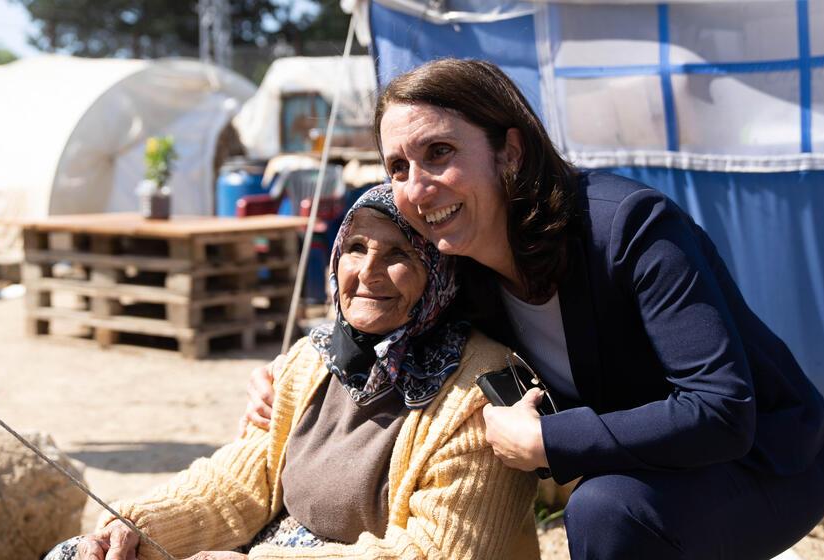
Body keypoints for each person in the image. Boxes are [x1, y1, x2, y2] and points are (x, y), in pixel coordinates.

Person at [244, 58, 824, 560]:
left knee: (605, 509)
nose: (417, 188)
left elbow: (723, 410)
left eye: (439, 152)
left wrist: (551, 441)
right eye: (398, 167)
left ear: (510, 151)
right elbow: (390, 335)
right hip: (646, 467)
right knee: (607, 499)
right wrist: (297, 375)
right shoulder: (461, 269)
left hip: (768, 461)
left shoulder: (629, 229)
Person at [48, 185, 540, 560]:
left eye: (399, 254)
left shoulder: (482, 389)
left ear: (441, 271)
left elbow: (433, 552)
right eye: (356, 248)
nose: (367, 273)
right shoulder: (317, 356)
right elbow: (241, 482)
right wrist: (137, 526)